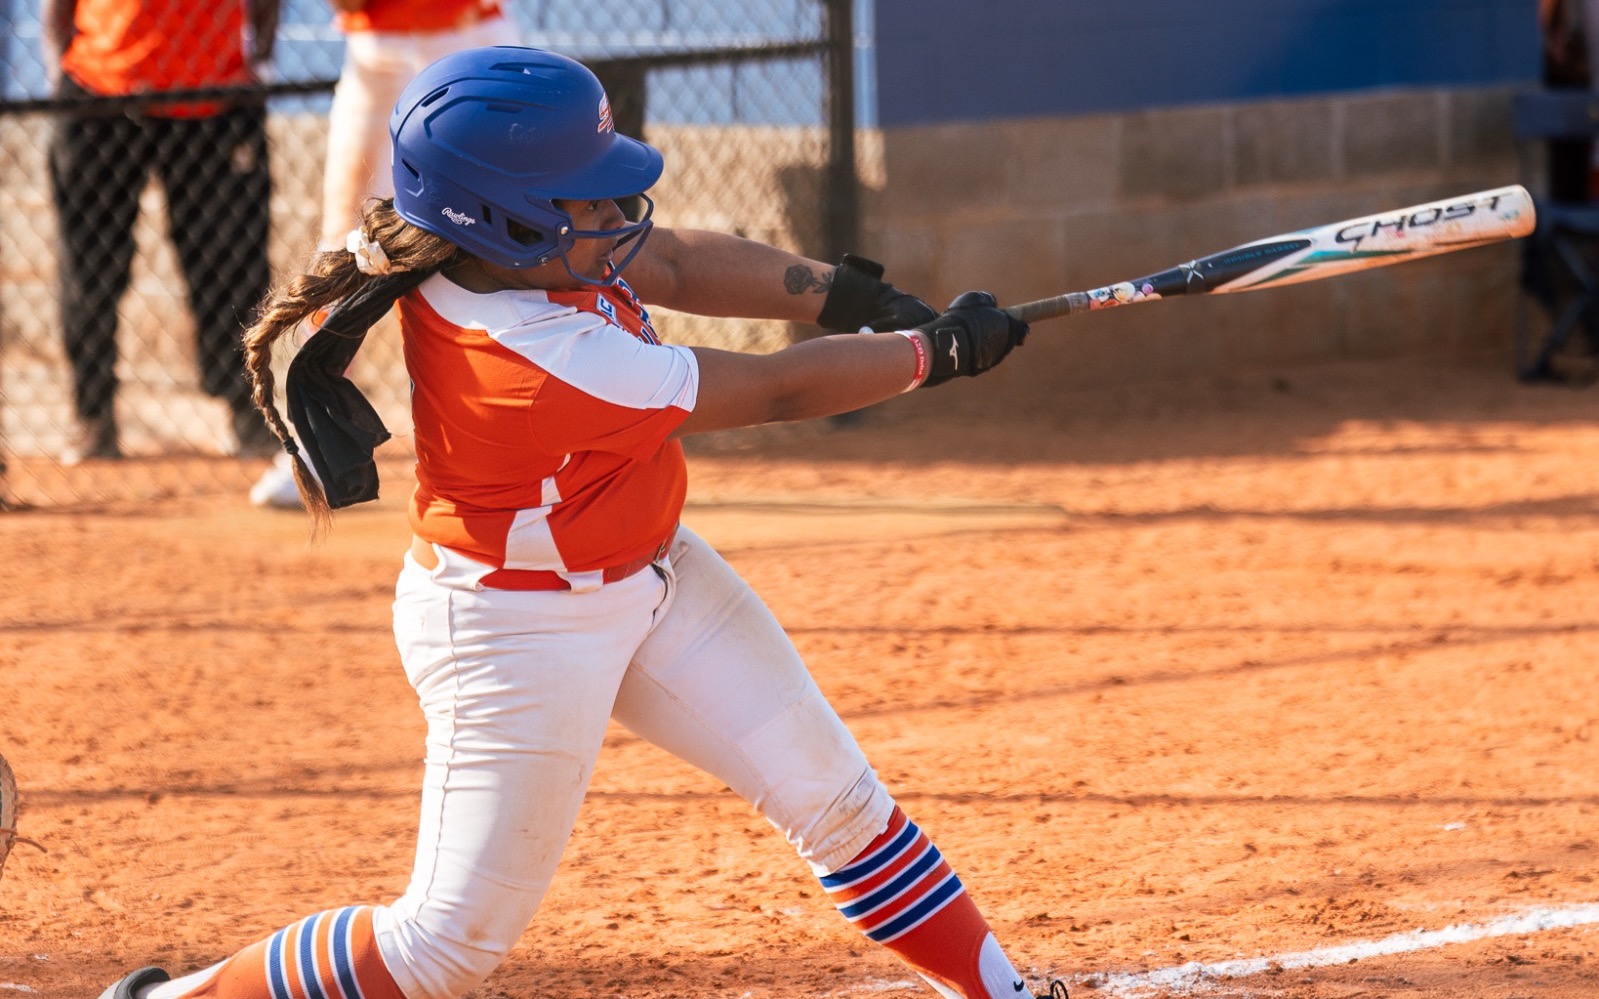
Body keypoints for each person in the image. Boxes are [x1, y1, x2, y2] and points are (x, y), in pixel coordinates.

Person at [98, 46, 1044, 999]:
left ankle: (1005, 993)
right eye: (583, 201)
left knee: (842, 807)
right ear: (501, 218)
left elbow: (671, 257)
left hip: (651, 569)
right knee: (439, 950)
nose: (612, 217)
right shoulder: (534, 355)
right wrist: (932, 354)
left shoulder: (498, 251)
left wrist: (855, 294)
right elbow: (778, 387)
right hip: (515, 629)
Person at [250, 0, 520, 507]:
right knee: (344, 242)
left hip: (467, 43)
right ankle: (315, 451)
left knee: (489, 233)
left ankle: (512, 442)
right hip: (376, 49)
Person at [42, 0, 281, 463]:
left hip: (216, 97)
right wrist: (60, 77)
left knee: (233, 263)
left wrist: (261, 63)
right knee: (90, 267)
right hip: (101, 93)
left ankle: (246, 414)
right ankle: (92, 417)